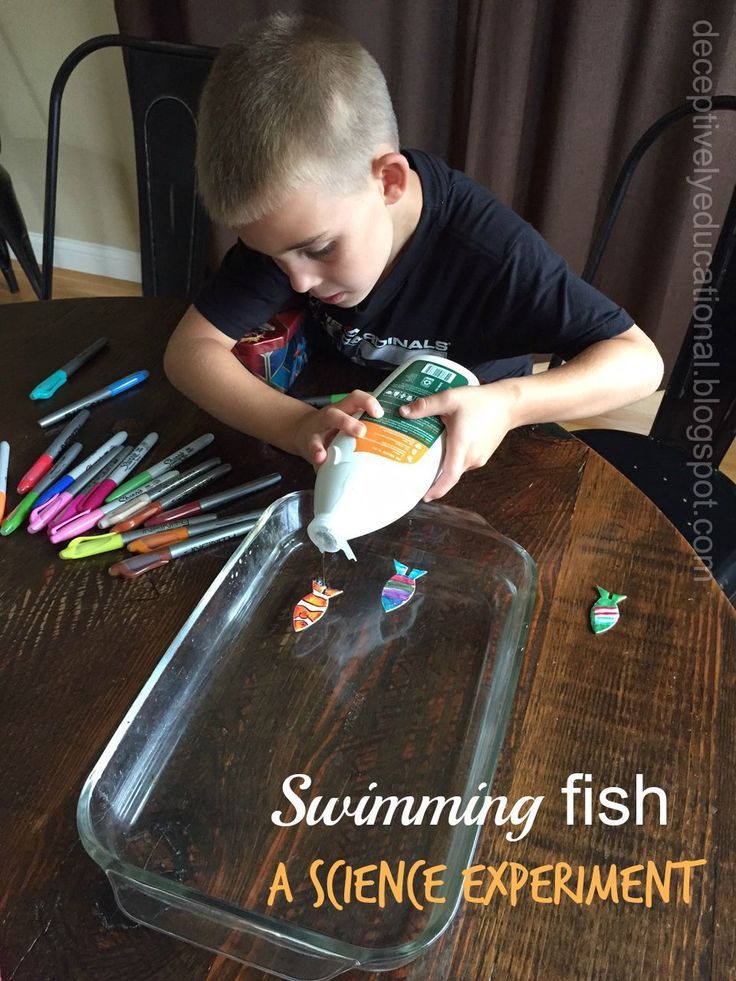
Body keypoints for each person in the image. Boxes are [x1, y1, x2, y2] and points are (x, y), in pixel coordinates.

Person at [164, 12, 663, 502]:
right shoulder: (293, 224)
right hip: (341, 432)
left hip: (468, 456)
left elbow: (639, 362)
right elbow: (189, 352)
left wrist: (509, 404)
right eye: (270, 257)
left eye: (319, 250)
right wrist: (292, 425)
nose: (296, 282)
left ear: (389, 182)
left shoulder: (489, 253)